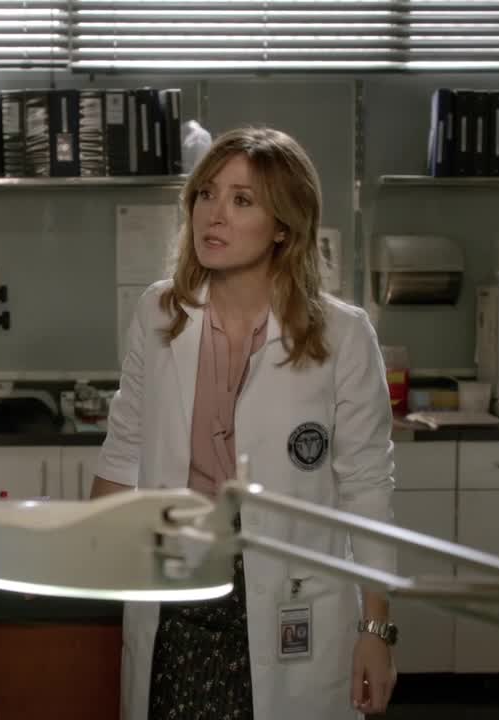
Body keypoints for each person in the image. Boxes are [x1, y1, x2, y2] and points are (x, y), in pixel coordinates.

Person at [92, 127, 398, 720]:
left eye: (242, 200)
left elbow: (367, 489)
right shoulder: (159, 314)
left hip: (292, 598)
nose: (215, 215)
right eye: (207, 194)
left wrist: (376, 629)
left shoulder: (342, 335)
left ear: (284, 226)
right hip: (178, 586)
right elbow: (123, 449)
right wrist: (89, 563)